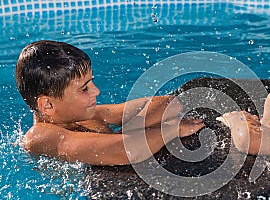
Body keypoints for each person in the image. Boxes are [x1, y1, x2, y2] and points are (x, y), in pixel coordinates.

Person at [15, 40, 204, 166]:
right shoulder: (40, 136)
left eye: (91, 83)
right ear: (47, 105)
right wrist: (169, 129)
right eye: (84, 89)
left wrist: (130, 133)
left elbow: (170, 104)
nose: (96, 91)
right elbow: (126, 150)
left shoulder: (85, 114)